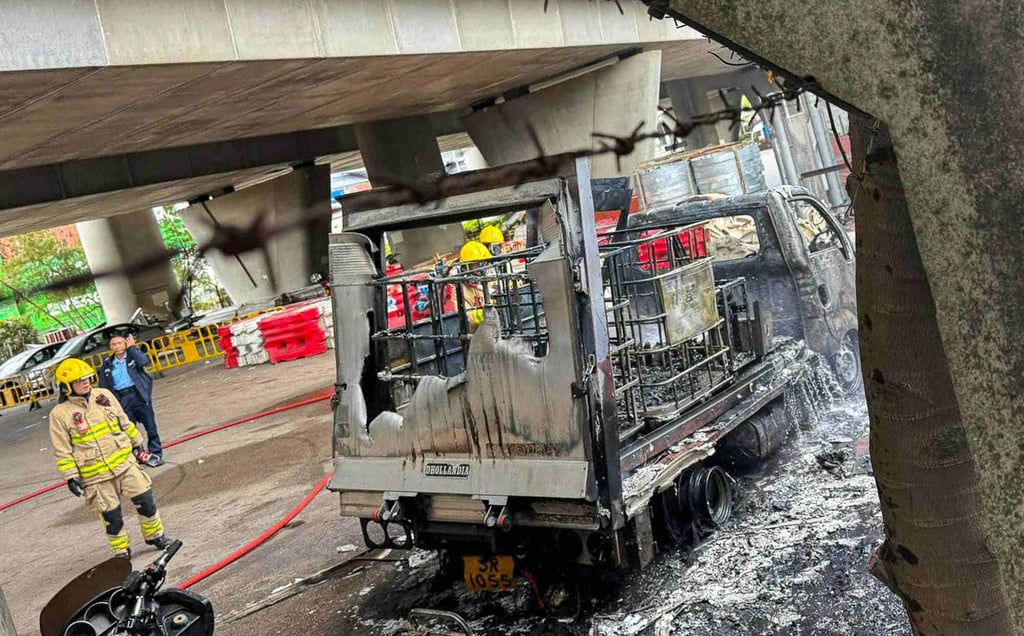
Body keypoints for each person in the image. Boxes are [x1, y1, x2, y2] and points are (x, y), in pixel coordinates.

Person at [49, 358, 173, 558]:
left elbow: (123, 420)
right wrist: (70, 476)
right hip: (96, 475)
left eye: (87, 377)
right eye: (79, 380)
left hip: (125, 464)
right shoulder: (60, 414)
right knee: (111, 517)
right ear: (66, 387)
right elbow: (62, 448)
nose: (85, 382)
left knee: (146, 500)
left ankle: (155, 536)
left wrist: (136, 441)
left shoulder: (104, 396)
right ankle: (121, 550)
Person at [98, 334, 163, 467]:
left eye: (120, 343)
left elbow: (144, 361)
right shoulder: (108, 363)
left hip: (138, 394)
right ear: (111, 347)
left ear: (125, 344)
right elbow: (103, 384)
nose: (117, 346)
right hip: (122, 398)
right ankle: (138, 454)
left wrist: (132, 348)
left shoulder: (132, 357)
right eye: (114, 344)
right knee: (128, 428)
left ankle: (155, 452)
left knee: (150, 426)